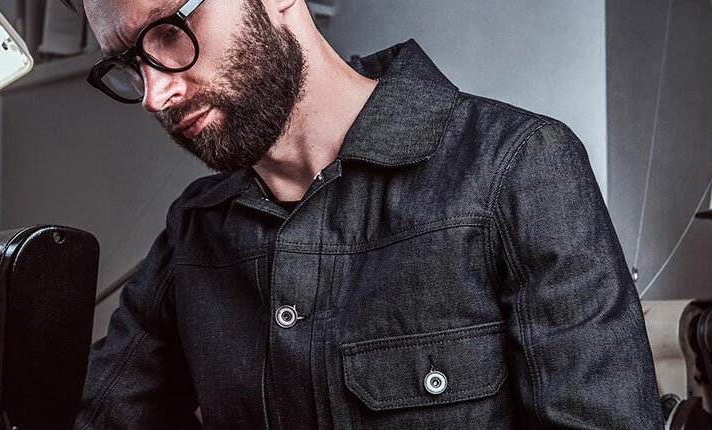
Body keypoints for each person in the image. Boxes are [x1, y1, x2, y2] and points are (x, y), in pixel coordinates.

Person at [71, 0, 662, 428]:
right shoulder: (192, 232)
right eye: (127, 64)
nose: (155, 94)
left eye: (169, 32)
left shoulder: (517, 169)